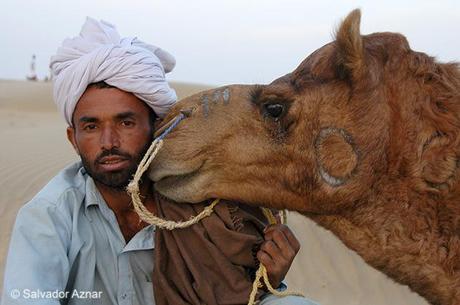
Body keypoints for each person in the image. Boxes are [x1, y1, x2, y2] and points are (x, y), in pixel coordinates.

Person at [1, 18, 319, 305]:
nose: (108, 142)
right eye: (91, 127)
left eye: (125, 123)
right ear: (73, 139)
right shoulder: (50, 215)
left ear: (156, 127)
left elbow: (233, 288)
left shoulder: (198, 202)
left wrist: (269, 276)